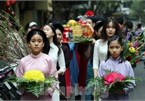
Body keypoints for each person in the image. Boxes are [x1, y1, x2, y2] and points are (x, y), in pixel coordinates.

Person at [15, 29, 58, 101]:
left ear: (43, 44)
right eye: (33, 41)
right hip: (27, 98)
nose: (36, 44)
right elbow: (18, 79)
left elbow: (54, 78)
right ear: (28, 43)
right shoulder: (23, 61)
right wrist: (28, 87)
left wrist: (44, 90)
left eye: (39, 41)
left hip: (44, 98)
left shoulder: (49, 60)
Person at [98, 35, 135, 100]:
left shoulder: (127, 64)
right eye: (111, 47)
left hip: (122, 97)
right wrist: (106, 89)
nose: (114, 50)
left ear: (122, 48)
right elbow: (98, 83)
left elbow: (132, 84)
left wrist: (124, 90)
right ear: (108, 48)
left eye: (117, 47)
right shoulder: (103, 64)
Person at [42, 24, 66, 101]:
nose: (45, 31)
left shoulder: (58, 49)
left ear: (53, 33)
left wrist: (54, 74)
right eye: (44, 30)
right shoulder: (39, 47)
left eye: (47, 29)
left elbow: (63, 68)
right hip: (40, 81)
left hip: (53, 81)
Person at [85, 21, 104, 100]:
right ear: (96, 32)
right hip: (92, 64)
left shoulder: (110, 41)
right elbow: (87, 55)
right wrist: (90, 43)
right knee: (90, 86)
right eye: (100, 32)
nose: (102, 33)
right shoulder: (92, 40)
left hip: (104, 67)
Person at [53, 22, 71, 100]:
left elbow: (67, 63)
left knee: (61, 95)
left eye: (59, 34)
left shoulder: (64, 48)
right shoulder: (47, 48)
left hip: (60, 75)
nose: (57, 36)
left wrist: (57, 70)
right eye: (56, 34)